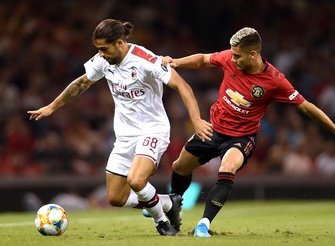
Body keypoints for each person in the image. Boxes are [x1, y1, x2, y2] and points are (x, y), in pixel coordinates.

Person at [162, 27, 335, 237]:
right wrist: (176, 61)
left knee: (227, 167)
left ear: (253, 54)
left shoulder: (274, 80)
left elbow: (305, 106)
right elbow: (203, 59)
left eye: (238, 56)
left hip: (241, 137)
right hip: (214, 129)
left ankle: (203, 224)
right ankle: (174, 203)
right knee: (179, 167)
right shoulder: (230, 57)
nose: (233, 59)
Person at [27, 19, 213, 236]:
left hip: (152, 131)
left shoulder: (145, 60)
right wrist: (52, 107)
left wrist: (197, 120)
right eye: (98, 49)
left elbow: (182, 85)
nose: (101, 54)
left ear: (120, 43)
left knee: (136, 180)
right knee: (116, 198)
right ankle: (167, 202)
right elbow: (81, 83)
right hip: (124, 136)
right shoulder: (103, 60)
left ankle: (161, 222)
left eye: (104, 49)